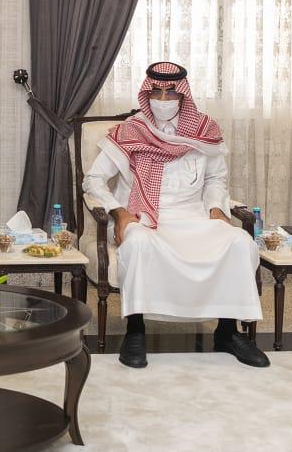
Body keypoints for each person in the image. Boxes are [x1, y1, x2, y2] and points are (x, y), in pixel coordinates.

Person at [82, 62, 268, 369]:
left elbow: (215, 179)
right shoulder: (131, 130)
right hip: (145, 216)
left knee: (239, 242)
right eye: (156, 92)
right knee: (138, 244)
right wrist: (119, 212)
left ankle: (227, 332)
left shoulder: (204, 130)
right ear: (147, 93)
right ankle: (135, 330)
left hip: (194, 216)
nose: (163, 99)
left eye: (170, 92)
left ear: (183, 95)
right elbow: (93, 180)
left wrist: (216, 208)